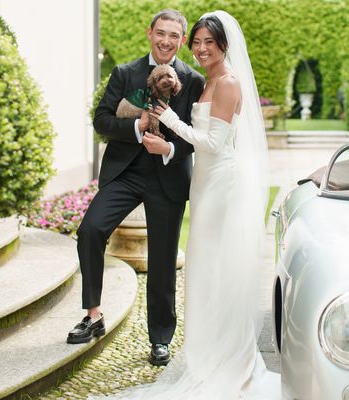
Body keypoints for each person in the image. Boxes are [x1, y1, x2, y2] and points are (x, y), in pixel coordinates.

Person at [93, 10, 280, 400]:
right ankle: (203, 351)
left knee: (218, 268)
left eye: (208, 42)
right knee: (202, 268)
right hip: (205, 184)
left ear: (224, 45)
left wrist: (168, 125)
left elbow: (213, 143)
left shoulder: (226, 84)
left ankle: (228, 357)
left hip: (223, 186)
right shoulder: (207, 80)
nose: (200, 48)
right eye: (196, 42)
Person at [66, 9, 205, 368]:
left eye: (174, 36)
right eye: (161, 33)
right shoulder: (125, 73)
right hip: (125, 173)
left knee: (162, 260)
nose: (166, 41)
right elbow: (101, 119)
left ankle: (160, 338)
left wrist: (171, 148)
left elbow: (199, 136)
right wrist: (136, 127)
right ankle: (93, 315)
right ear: (149, 33)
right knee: (90, 230)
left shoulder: (193, 81)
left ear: (181, 41)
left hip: (168, 176)